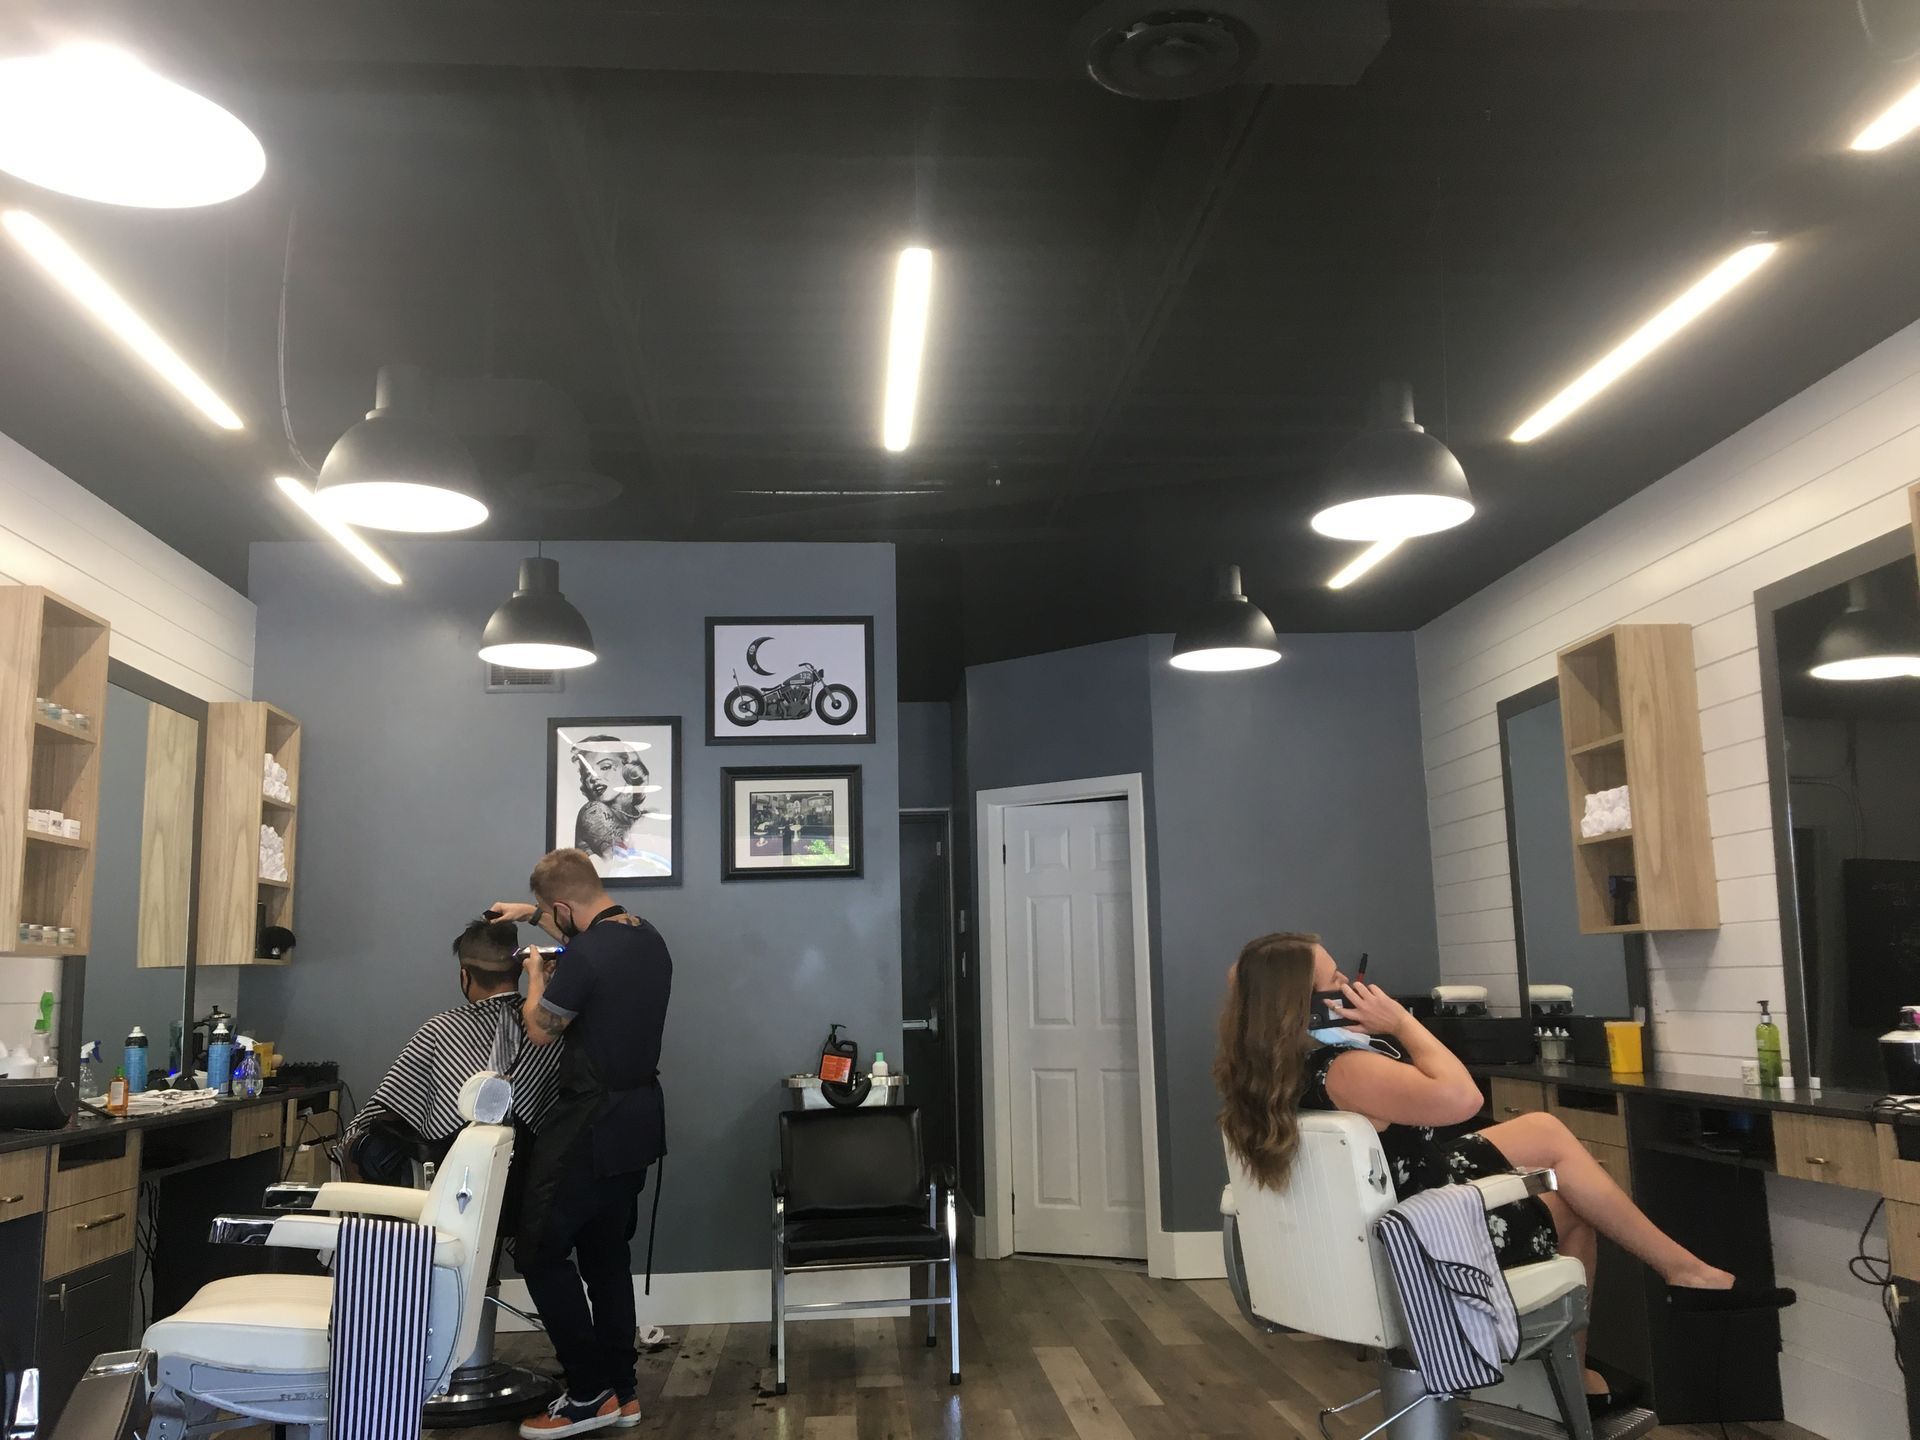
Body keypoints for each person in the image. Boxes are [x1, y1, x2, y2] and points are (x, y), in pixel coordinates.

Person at [1214, 932, 1793, 1420]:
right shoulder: (1349, 1069)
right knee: (1570, 1211)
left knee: (1543, 1131)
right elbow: (1463, 1097)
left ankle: (1682, 1271)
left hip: (1381, 1210)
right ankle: (1569, 1391)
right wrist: (1402, 1024)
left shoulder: (1268, 1071)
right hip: (1416, 1236)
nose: (1354, 989)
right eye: (1339, 981)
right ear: (1305, 1005)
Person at [488, 849, 672, 1439]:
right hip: (639, 1118)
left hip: (589, 1120)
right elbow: (588, 942)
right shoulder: (646, 937)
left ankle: (588, 1392)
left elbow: (541, 1030)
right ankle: (623, 1390)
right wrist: (529, 912)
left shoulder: (585, 955)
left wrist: (538, 977)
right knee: (604, 1254)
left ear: (563, 906)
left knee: (539, 1249)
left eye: (549, 913)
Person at [341, 918, 563, 1184]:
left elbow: (385, 1108)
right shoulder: (551, 1033)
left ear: (464, 976)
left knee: (359, 1140)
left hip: (450, 1181)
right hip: (529, 1185)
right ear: (520, 970)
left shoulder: (441, 1029)